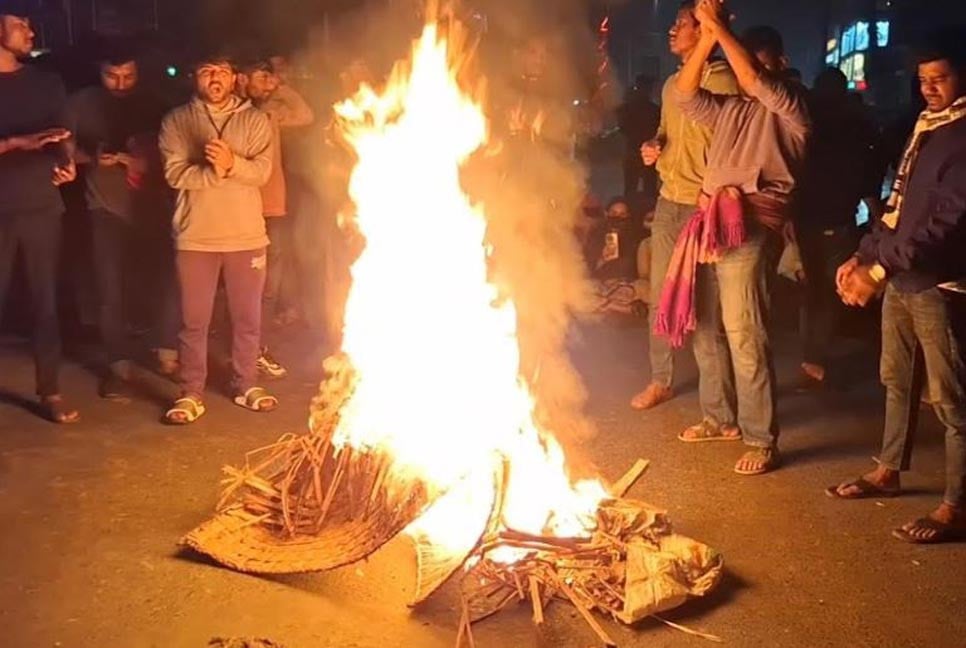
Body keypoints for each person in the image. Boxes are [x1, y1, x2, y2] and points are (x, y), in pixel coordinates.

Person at [827, 37, 966, 544]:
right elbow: (898, 202)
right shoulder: (928, 127)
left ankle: (956, 504)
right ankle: (888, 469)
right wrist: (865, 253)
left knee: (951, 398)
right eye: (923, 79)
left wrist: (878, 271)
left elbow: (943, 227)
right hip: (902, 275)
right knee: (897, 379)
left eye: (941, 78)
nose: (929, 88)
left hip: (939, 284)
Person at [666, 0, 810, 475]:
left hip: (749, 226)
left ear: (779, 65)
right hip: (709, 222)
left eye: (759, 61)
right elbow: (685, 93)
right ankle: (718, 416)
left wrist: (716, 26)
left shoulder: (791, 108)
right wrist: (708, 35)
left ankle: (761, 438)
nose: (751, 73)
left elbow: (754, 82)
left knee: (745, 331)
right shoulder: (731, 110)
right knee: (705, 325)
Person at [630, 0, 738, 412]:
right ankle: (661, 380)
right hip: (668, 204)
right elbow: (664, 132)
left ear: (705, 31)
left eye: (680, 24)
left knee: (704, 311)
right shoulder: (671, 84)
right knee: (660, 300)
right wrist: (653, 147)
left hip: (702, 211)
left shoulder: (724, 82)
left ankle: (720, 411)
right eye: (674, 24)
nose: (672, 31)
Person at [158, 52, 277, 424]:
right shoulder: (177, 120)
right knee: (194, 320)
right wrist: (217, 171)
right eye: (206, 71)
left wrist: (232, 164)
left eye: (221, 72)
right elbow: (175, 174)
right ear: (195, 77)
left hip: (246, 236)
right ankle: (191, 392)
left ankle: (246, 384)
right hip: (197, 237)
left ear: (234, 78)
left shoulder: (256, 120)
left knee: (247, 317)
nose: (214, 79)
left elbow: (261, 172)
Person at [68, 43, 175, 398]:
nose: (120, 83)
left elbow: (174, 156)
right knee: (110, 290)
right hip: (105, 209)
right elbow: (63, 150)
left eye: (128, 75)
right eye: (112, 76)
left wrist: (136, 161)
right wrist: (90, 156)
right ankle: (118, 365)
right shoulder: (83, 103)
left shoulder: (155, 104)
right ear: (99, 72)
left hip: (150, 208)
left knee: (160, 283)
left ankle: (165, 353)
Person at [0, 4, 79, 423]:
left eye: (29, 23)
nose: (29, 30)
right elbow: (24, 141)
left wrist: (66, 160)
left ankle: (49, 390)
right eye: (18, 24)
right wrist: (16, 144)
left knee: (45, 302)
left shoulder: (47, 81)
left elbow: (64, 132)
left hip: (41, 206)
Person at [793, 68, 882, 389]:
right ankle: (814, 358)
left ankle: (811, 357)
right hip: (835, 217)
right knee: (829, 289)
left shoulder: (808, 119)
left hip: (810, 217)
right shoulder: (854, 123)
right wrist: (875, 210)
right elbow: (867, 171)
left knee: (814, 289)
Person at [235, 57, 314, 379]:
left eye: (271, 77)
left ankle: (257, 350)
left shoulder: (270, 110)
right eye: (261, 77)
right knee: (241, 284)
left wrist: (279, 86)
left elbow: (306, 115)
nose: (268, 83)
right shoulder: (235, 113)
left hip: (273, 206)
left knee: (268, 285)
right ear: (241, 77)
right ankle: (240, 352)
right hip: (243, 205)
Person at [617, 75, 660, 210]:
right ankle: (644, 217)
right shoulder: (653, 109)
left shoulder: (628, 108)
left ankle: (634, 215)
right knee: (647, 188)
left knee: (633, 187)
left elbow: (623, 127)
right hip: (643, 152)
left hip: (636, 152)